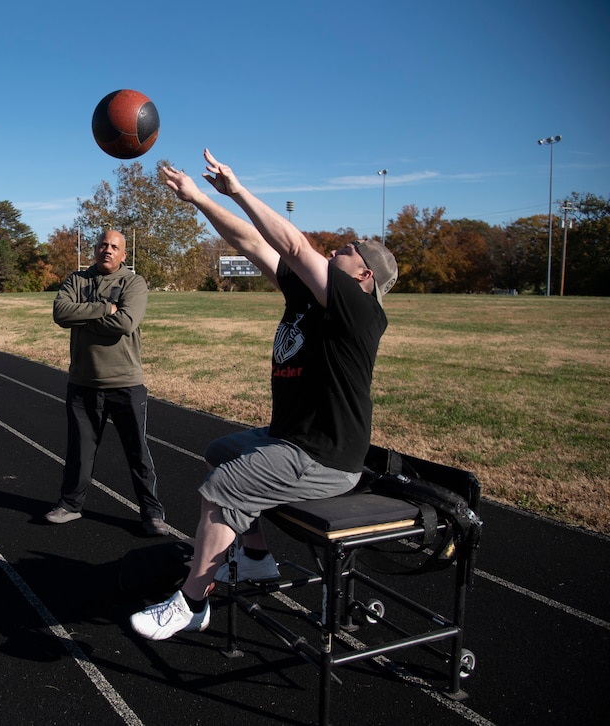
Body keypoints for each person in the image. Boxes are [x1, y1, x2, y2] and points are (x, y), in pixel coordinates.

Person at [130, 150, 397, 640]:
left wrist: (238, 190)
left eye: (347, 251)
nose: (335, 250)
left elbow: (293, 245)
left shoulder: (359, 310)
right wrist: (196, 199)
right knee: (219, 453)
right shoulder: (310, 296)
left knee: (225, 485)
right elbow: (253, 242)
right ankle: (256, 558)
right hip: (291, 439)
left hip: (324, 457)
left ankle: (192, 603)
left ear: (365, 277)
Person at [45, 229, 170, 537]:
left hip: (125, 383)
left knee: (138, 453)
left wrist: (83, 317)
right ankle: (70, 505)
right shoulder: (77, 280)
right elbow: (61, 312)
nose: (108, 250)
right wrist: (105, 308)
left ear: (123, 254)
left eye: (115, 246)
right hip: (83, 384)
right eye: (103, 245)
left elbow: (126, 323)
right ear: (96, 248)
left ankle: (152, 514)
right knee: (79, 451)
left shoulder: (133, 283)